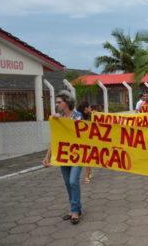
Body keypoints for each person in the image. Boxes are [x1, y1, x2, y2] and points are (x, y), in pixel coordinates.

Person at [42, 90, 83, 225]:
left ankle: (75, 211)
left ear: (67, 103)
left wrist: (61, 121)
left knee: (73, 182)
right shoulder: (57, 118)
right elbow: (54, 139)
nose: (57, 104)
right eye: (56, 102)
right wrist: (47, 157)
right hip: (63, 156)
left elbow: (77, 134)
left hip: (77, 155)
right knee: (67, 183)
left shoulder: (78, 116)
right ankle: (74, 208)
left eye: (59, 102)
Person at [77, 101, 93, 183]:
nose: (91, 109)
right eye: (89, 107)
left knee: (87, 157)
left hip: (88, 139)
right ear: (86, 108)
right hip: (80, 140)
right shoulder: (78, 116)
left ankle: (87, 175)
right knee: (85, 158)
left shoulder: (91, 115)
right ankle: (89, 172)